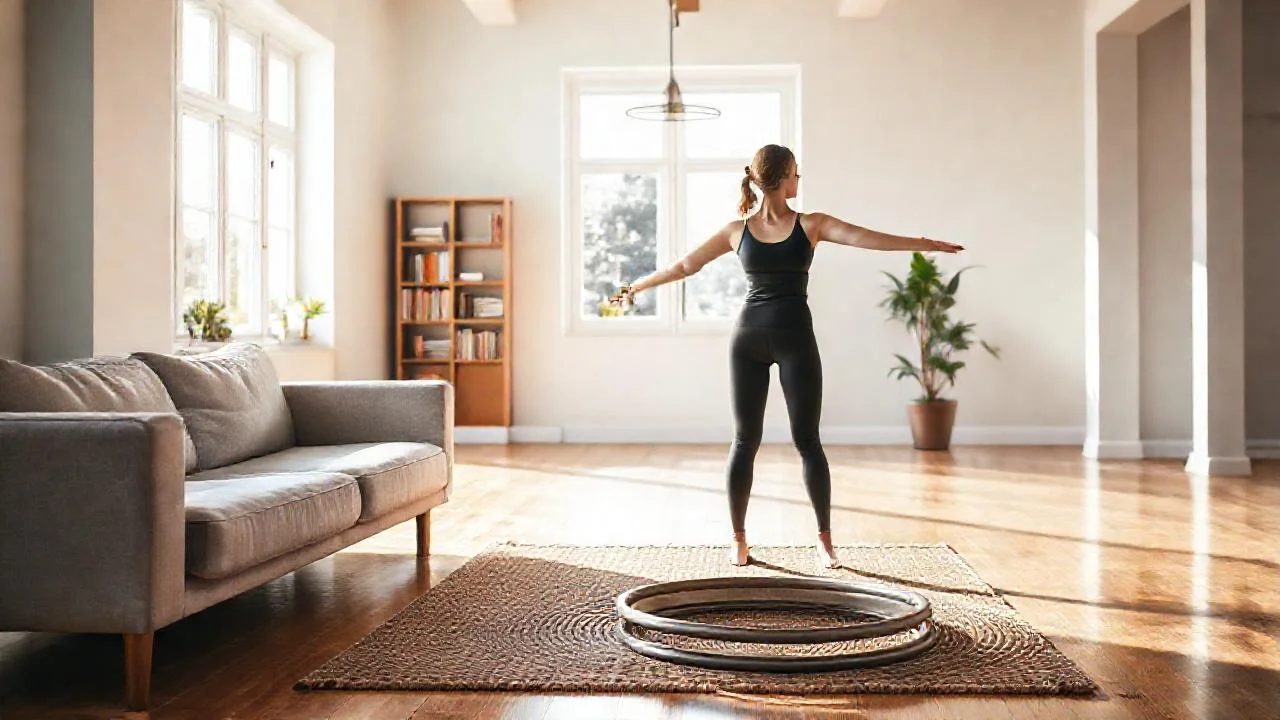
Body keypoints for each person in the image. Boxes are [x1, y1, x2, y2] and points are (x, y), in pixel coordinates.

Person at [611, 144, 963, 568]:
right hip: (783, 337)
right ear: (780, 179)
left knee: (763, 441)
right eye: (796, 173)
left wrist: (923, 244)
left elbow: (686, 266)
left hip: (754, 337)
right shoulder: (800, 225)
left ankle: (769, 542)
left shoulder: (751, 229)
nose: (800, 180)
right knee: (795, 442)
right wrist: (635, 288)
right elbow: (868, 238)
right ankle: (797, 541)